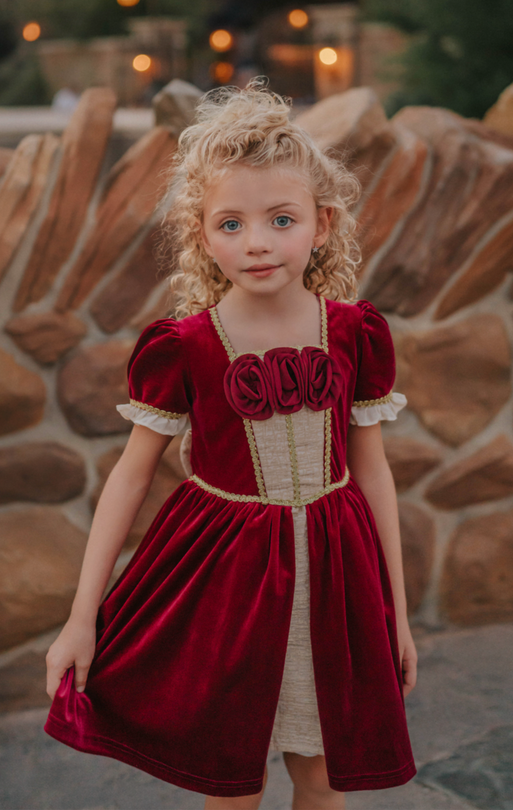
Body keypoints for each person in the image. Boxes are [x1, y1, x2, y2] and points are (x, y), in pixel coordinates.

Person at [44, 78, 418, 810]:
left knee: (322, 775)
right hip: (225, 582)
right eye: (230, 224)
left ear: (322, 222)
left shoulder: (353, 333)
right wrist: (79, 617)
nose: (256, 243)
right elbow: (128, 479)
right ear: (200, 235)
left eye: (281, 219)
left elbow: (372, 476)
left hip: (335, 581)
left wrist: (395, 615)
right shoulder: (182, 348)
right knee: (231, 785)